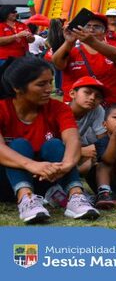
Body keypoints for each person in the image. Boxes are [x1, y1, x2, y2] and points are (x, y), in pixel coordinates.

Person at [0, 57, 99, 223]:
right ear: (17, 88)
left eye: (50, 82)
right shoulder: (3, 108)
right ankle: (26, 199)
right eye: (41, 84)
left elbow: (72, 138)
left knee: (55, 144)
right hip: (7, 182)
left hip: (48, 179)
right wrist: (33, 165)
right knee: (18, 144)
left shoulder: (58, 108)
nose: (49, 89)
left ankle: (76, 197)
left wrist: (67, 163)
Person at [51, 11, 116, 106]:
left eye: (97, 27)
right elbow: (57, 64)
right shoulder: (71, 49)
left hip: (110, 108)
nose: (91, 30)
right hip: (76, 109)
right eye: (87, 26)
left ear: (105, 32)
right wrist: (68, 42)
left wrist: (91, 41)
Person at [68, 76, 108, 177]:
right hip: (56, 149)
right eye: (87, 92)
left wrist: (95, 151)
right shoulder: (61, 111)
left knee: (90, 160)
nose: (92, 98)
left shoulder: (97, 109)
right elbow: (51, 143)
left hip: (76, 146)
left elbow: (103, 138)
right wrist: (80, 152)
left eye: (98, 96)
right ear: (73, 93)